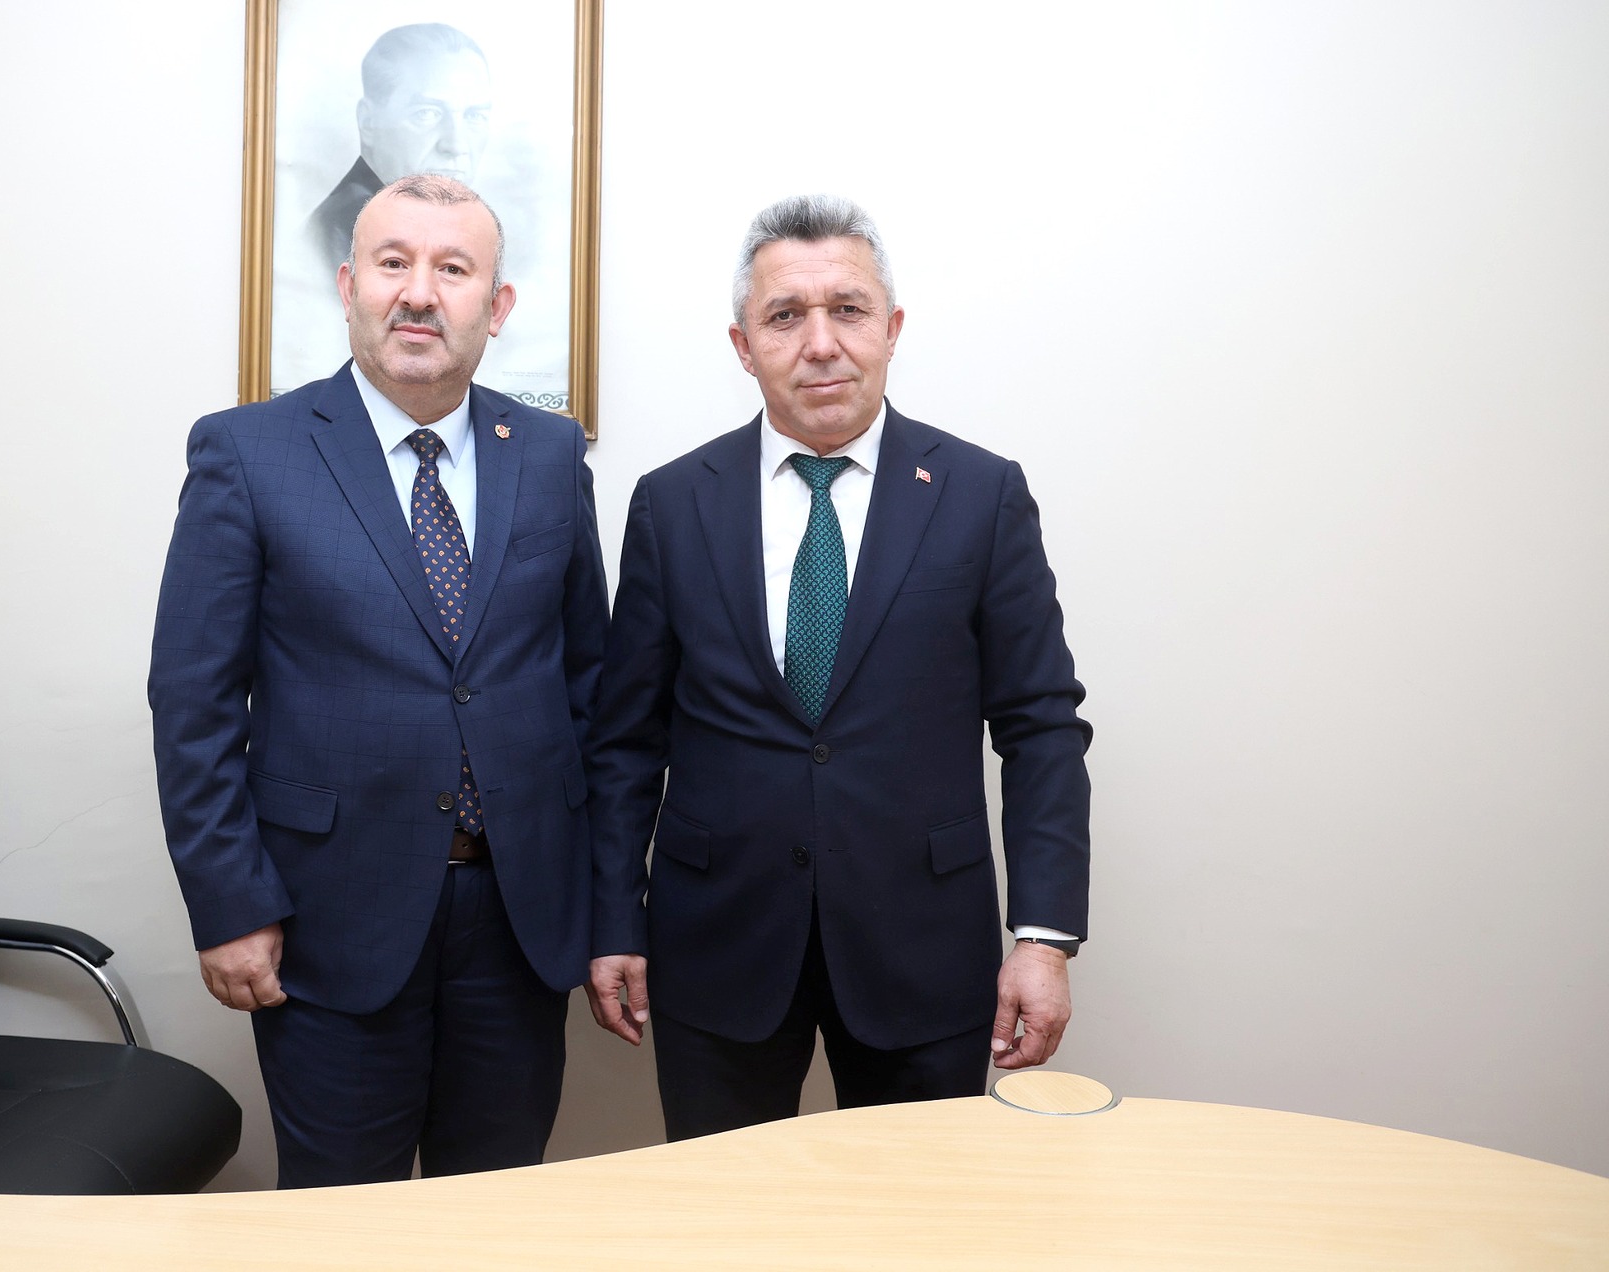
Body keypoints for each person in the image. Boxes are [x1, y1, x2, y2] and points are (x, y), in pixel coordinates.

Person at [584, 195, 1091, 1141]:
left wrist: (1044, 938)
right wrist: (613, 917)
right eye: (785, 316)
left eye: (848, 310)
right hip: (718, 945)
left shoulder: (980, 496)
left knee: (921, 1209)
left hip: (923, 944)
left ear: (891, 329)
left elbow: (1042, 729)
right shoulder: (672, 504)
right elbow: (625, 743)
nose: (821, 343)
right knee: (723, 1209)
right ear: (743, 345)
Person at [150, 174, 606, 1186]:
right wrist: (229, 902)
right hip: (329, 917)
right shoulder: (248, 453)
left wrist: (605, 903)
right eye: (393, 263)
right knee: (337, 1225)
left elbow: (590, 688)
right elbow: (193, 706)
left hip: (520, 917)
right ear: (349, 285)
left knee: (491, 1213)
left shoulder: (546, 453)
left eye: (453, 269)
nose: (419, 292)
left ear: (497, 306)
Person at [306, 24, 493, 273]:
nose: (456, 145)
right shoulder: (333, 243)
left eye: (474, 116)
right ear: (368, 122)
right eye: (427, 114)